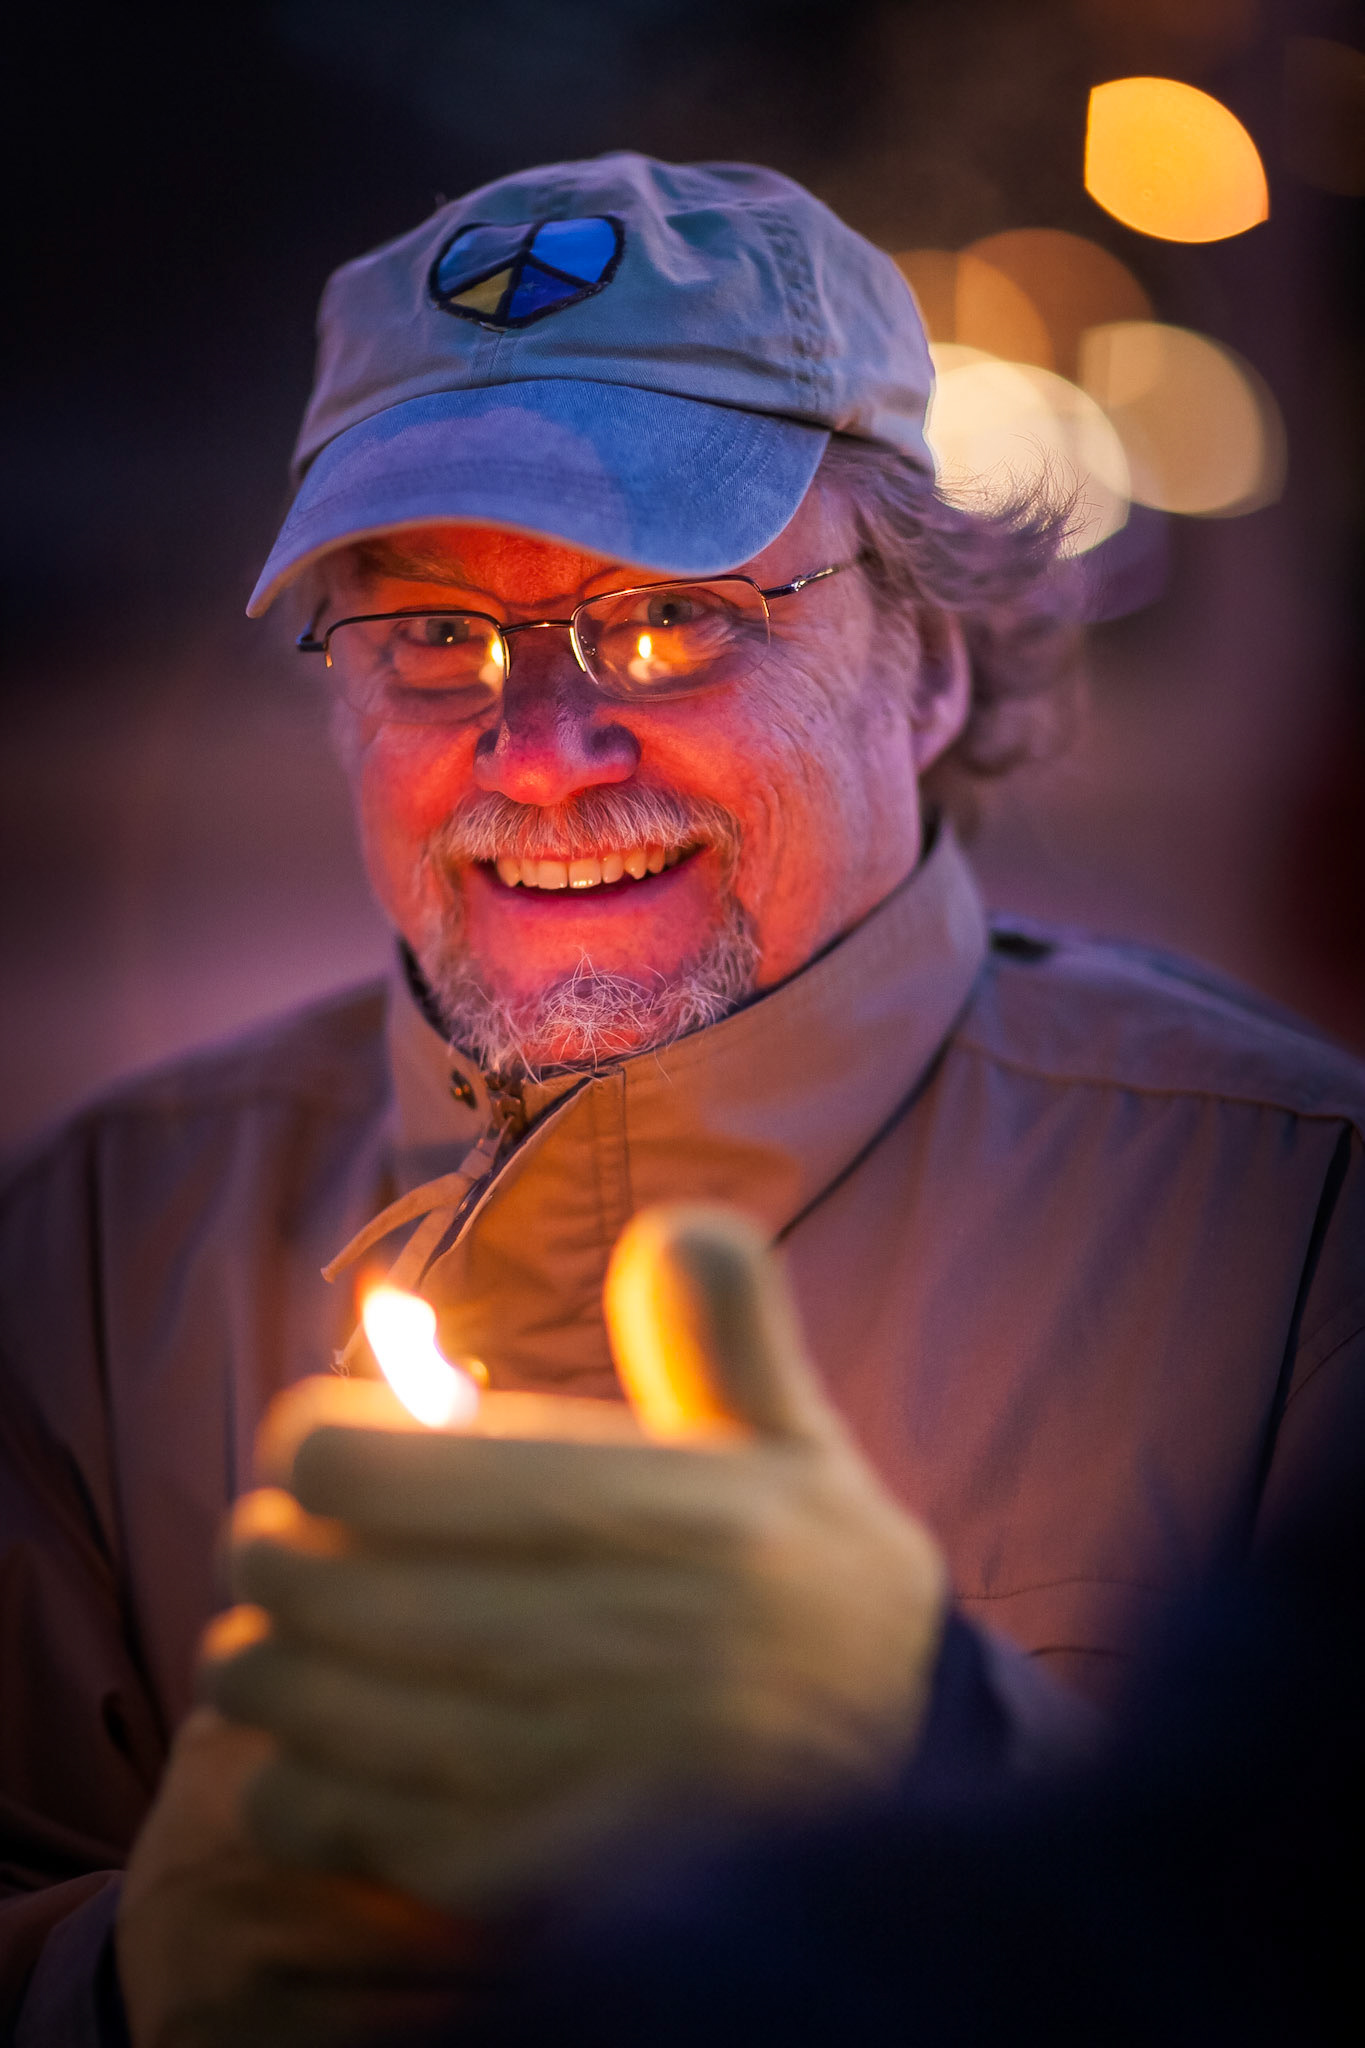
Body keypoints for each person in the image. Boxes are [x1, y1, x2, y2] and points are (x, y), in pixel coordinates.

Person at [1, 152, 1362, 2046]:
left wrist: (947, 1771)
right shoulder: (87, 1253)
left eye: (665, 616)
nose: (541, 752)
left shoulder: (1293, 1236)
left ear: (929, 664)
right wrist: (129, 1981)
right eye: (432, 636)